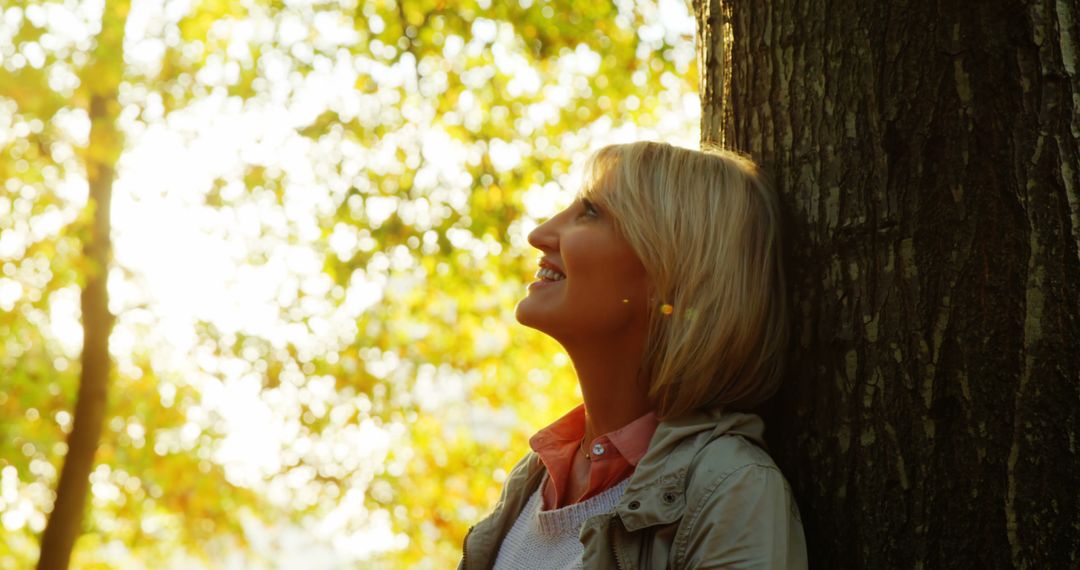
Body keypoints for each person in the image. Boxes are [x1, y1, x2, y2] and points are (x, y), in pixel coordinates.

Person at [459, 142, 807, 569]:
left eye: (590, 212)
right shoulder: (532, 479)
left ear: (671, 272)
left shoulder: (731, 489)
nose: (540, 234)